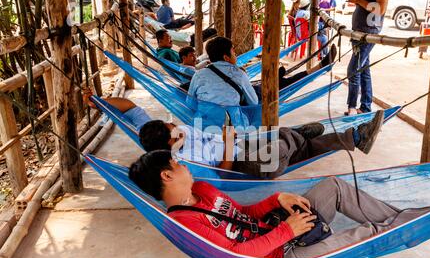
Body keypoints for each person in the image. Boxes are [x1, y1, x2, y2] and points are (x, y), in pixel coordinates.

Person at [129, 150, 430, 258]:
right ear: (167, 175)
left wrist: (276, 199)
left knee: (333, 185)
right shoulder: (183, 224)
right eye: (177, 163)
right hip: (282, 255)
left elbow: (242, 215)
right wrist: (286, 232)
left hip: (279, 228)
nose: (185, 165)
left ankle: (410, 222)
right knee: (367, 233)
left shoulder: (203, 188)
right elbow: (235, 254)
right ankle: (419, 221)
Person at [82, 89, 385, 179]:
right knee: (282, 145)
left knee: (285, 139)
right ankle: (298, 136)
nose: (174, 124)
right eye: (171, 126)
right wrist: (227, 145)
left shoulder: (154, 132)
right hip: (244, 166)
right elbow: (223, 176)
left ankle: (356, 138)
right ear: (170, 140)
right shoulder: (184, 159)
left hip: (242, 145)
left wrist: (97, 99)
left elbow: (131, 107)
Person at [188, 36, 337, 107]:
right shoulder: (238, 74)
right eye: (233, 52)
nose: (236, 55)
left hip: (209, 117)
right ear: (226, 57)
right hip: (239, 114)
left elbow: (190, 102)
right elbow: (253, 102)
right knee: (280, 85)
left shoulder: (199, 74)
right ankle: (313, 69)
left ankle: (280, 77)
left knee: (279, 83)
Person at [345, 0, 390, 116]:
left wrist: (358, 0)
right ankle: (365, 106)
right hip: (360, 32)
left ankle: (352, 108)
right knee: (364, 71)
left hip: (368, 33)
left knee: (353, 70)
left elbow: (380, 9)